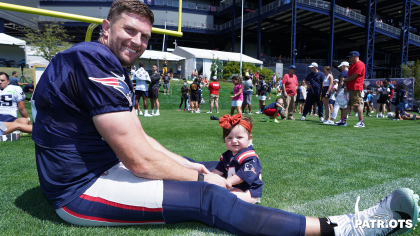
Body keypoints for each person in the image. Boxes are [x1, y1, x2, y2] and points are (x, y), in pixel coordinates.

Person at [31, 1, 419, 235]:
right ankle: (351, 228)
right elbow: (140, 160)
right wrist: (208, 179)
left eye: (145, 36)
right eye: (129, 31)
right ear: (105, 29)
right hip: (80, 191)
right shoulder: (92, 58)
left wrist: (195, 166)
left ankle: (244, 192)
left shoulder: (102, 61)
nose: (137, 41)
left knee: (210, 167)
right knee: (209, 195)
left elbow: (143, 140)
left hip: (104, 168)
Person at [212, 114, 262, 204]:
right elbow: (218, 170)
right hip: (233, 187)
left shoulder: (250, 157)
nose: (234, 141)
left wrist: (225, 182)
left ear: (249, 138)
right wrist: (208, 178)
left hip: (249, 190)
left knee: (224, 198)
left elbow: (243, 176)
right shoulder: (226, 155)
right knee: (213, 193)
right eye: (229, 138)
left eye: (239, 137)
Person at [335, 51, 366, 127]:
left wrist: (344, 80)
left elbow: (353, 77)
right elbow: (348, 76)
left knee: (357, 105)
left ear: (355, 56)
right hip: (349, 87)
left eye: (350, 57)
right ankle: (343, 121)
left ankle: (361, 121)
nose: (349, 58)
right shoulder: (352, 65)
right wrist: (345, 86)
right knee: (345, 105)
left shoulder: (360, 64)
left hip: (356, 88)